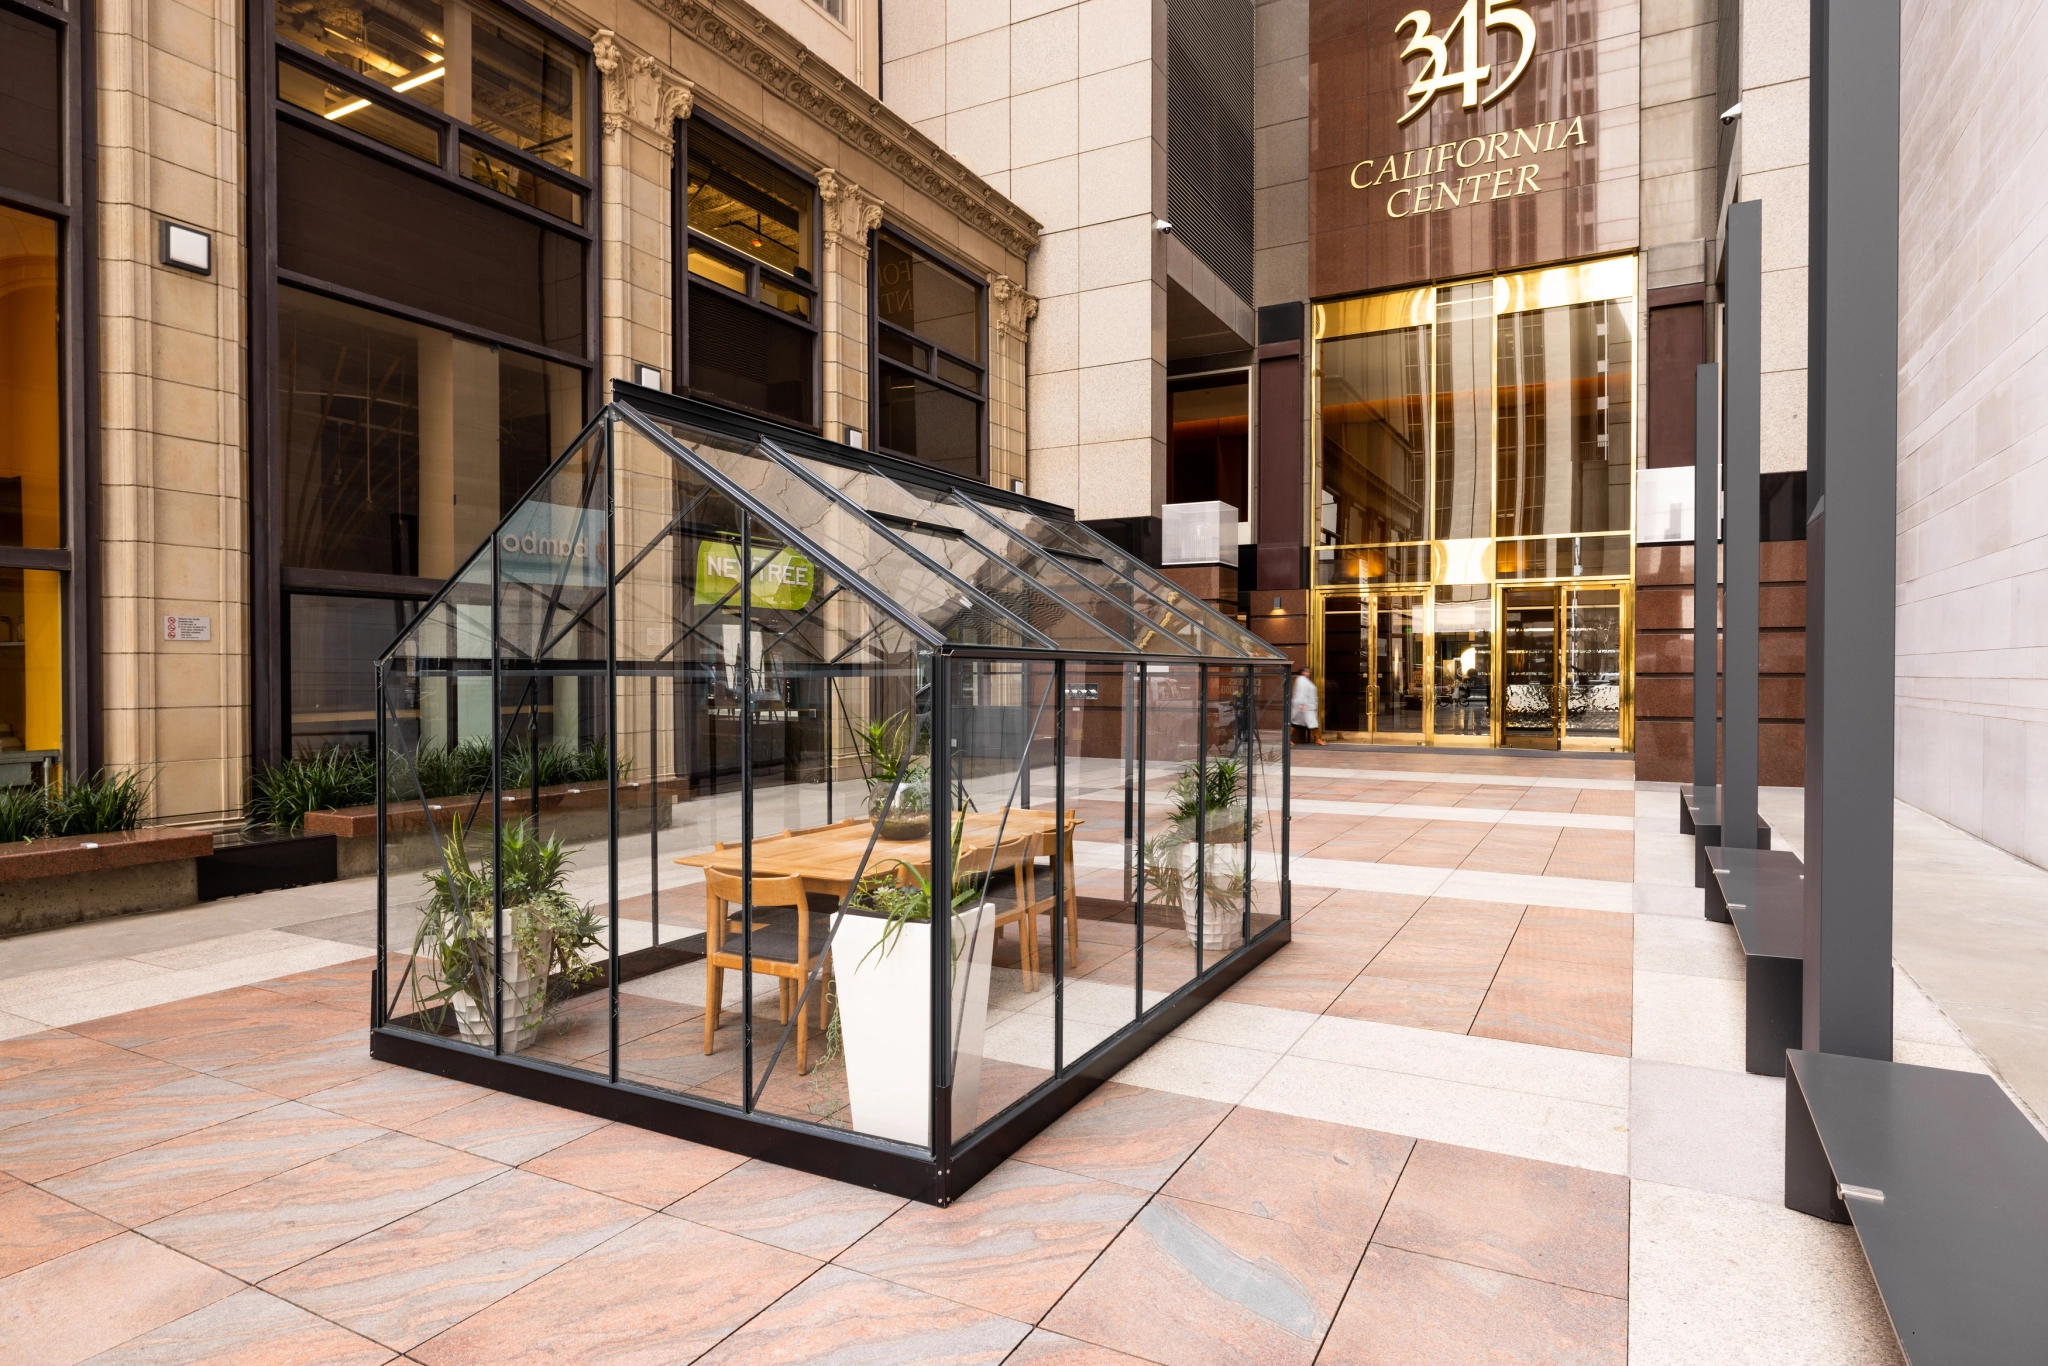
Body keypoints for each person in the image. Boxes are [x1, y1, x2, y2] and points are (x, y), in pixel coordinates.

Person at [1289, 667, 1323, 745]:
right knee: (1312, 722)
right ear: (1303, 672)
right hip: (1305, 706)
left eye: (1309, 672)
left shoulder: (1304, 681)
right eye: (1307, 672)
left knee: (1297, 723)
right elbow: (1301, 692)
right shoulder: (1301, 680)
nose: (1309, 673)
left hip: (1307, 706)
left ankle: (1288, 739)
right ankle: (1317, 739)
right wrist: (1302, 704)